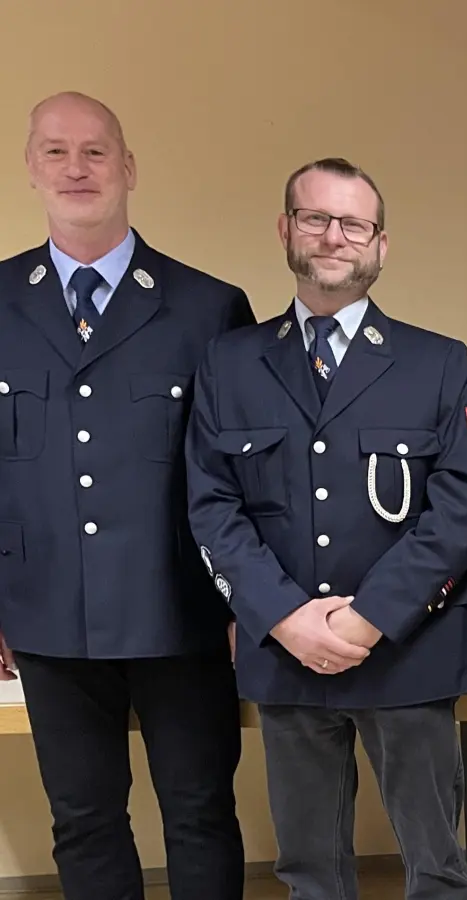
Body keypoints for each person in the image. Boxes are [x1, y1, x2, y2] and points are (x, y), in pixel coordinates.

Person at [185, 157, 467, 900]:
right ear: (287, 230)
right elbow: (211, 506)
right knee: (310, 873)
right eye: (317, 218)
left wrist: (366, 621)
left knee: (438, 869)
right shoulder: (230, 364)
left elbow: (459, 513)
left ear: (381, 245)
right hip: (286, 658)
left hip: (405, 653)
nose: (334, 236)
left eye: (353, 223)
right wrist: (285, 618)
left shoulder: (441, 363)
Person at [0, 91, 253, 900]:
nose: (76, 167)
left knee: (202, 811)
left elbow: (244, 476)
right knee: (83, 818)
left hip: (180, 614)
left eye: (96, 151)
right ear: (30, 168)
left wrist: (247, 603)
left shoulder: (210, 307)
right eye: (55, 151)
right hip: (44, 614)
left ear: (128, 167)